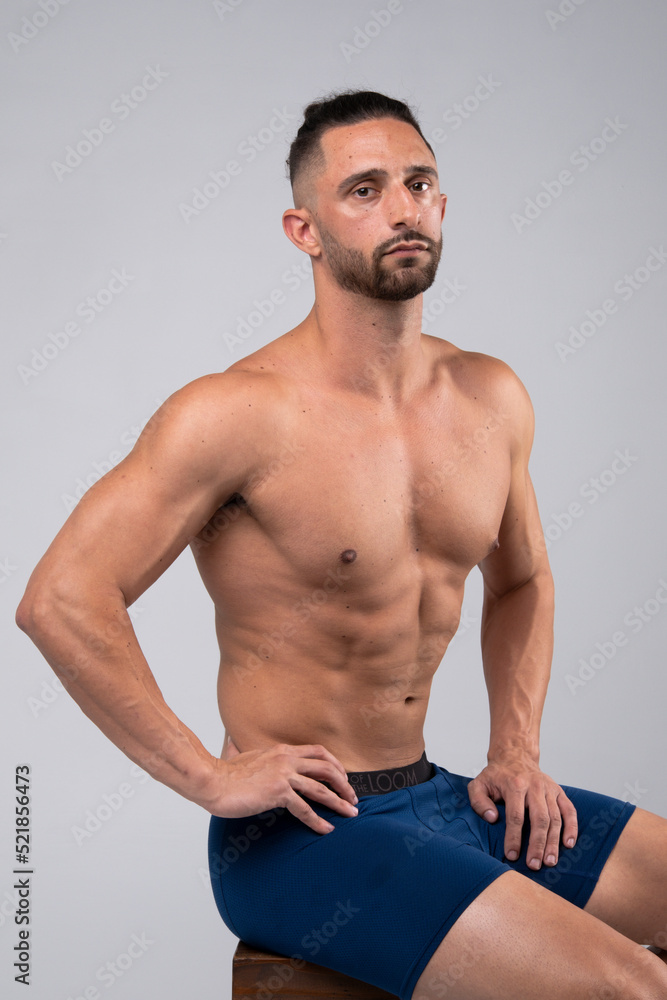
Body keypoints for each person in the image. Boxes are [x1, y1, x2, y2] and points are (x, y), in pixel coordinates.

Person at [16, 90, 667, 1000]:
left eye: (419, 182)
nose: (403, 207)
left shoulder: (491, 397)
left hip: (445, 800)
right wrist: (206, 776)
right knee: (633, 988)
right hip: (304, 836)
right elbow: (59, 598)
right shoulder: (233, 413)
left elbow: (520, 580)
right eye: (363, 189)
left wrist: (514, 750)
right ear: (304, 229)